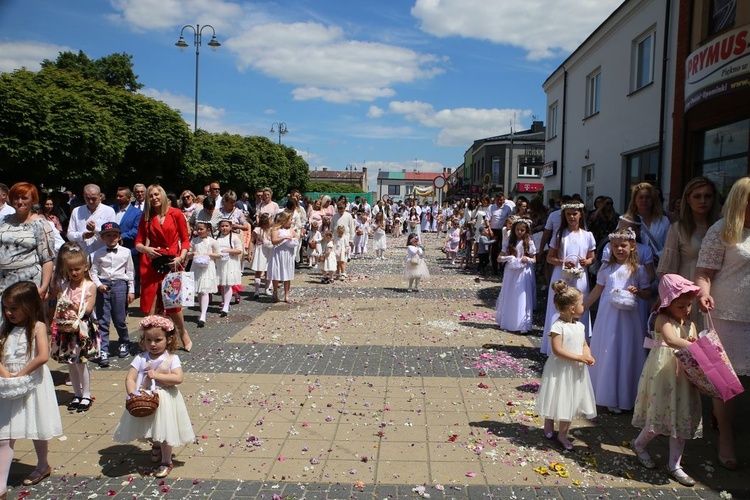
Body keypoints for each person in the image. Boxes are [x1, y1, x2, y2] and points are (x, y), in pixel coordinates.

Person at [694, 176, 750, 471]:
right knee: (725, 382)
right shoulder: (723, 230)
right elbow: (703, 273)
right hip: (728, 316)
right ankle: (726, 437)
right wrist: (703, 294)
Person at [631, 274, 703, 487]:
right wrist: (695, 347)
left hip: (683, 376)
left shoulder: (690, 322)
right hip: (664, 373)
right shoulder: (663, 319)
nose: (687, 310)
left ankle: (675, 464)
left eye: (689, 305)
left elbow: (692, 340)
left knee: (680, 418)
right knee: (659, 414)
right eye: (681, 305)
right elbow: (671, 339)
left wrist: (694, 342)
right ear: (667, 303)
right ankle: (640, 444)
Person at [113, 316, 195, 478]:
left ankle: (166, 460)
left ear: (169, 339)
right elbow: (130, 378)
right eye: (149, 340)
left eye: (158, 340)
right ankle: (156, 445)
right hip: (145, 397)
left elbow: (178, 378)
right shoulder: (141, 358)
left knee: (165, 430)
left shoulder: (172, 359)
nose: (153, 344)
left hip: (165, 399)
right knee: (150, 427)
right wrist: (133, 394)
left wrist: (157, 375)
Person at [0, 282, 63, 494]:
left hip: (33, 381)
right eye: (6, 307)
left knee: (37, 423)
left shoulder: (37, 327)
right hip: (8, 384)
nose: (9, 312)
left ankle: (43, 464)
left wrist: (21, 373)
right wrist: (6, 375)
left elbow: (43, 356)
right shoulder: (4, 328)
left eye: (14, 308)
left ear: (28, 305)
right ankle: (1, 485)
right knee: (5, 434)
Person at [584, 228, 651, 413]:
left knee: (627, 350)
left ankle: (627, 395)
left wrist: (638, 292)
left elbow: (647, 293)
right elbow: (597, 290)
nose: (619, 249)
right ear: (610, 248)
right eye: (615, 246)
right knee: (608, 349)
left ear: (632, 247)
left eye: (623, 245)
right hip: (608, 317)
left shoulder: (638, 270)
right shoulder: (606, 269)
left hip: (629, 318)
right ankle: (607, 394)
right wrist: (583, 306)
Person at [535, 280, 596, 451]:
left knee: (569, 401)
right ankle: (549, 422)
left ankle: (562, 433)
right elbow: (557, 350)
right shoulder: (558, 327)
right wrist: (578, 357)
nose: (583, 306)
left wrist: (588, 354)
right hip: (561, 369)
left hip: (575, 370)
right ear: (572, 308)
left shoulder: (580, 326)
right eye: (581, 303)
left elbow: (584, 344)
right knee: (556, 397)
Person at [134, 185, 192, 352]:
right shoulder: (146, 217)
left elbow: (185, 240)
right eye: (150, 196)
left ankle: (182, 332)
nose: (154, 198)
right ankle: (151, 341)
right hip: (152, 263)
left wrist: (181, 257)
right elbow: (137, 242)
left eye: (156, 194)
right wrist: (146, 249)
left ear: (163, 195)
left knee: (172, 304)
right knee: (150, 306)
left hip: (171, 262)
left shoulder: (175, 214)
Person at [658, 177, 719, 328]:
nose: (703, 201)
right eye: (697, 196)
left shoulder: (722, 227)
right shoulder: (678, 228)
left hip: (718, 286)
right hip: (687, 290)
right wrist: (665, 297)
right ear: (688, 199)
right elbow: (668, 269)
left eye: (707, 196)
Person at [541, 202, 596, 354]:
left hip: (580, 277)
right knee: (559, 308)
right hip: (561, 275)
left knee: (579, 306)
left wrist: (587, 261)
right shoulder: (559, 234)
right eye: (569, 214)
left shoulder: (587, 235)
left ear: (580, 215)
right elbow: (550, 258)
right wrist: (563, 262)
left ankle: (579, 345)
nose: (572, 217)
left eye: (575, 213)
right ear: (564, 216)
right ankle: (555, 346)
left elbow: (592, 257)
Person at [50, 243, 98, 412]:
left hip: (81, 328)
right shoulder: (64, 286)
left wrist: (72, 305)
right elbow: (58, 305)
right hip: (65, 328)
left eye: (77, 269)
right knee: (70, 362)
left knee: (81, 363)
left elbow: (89, 309)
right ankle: (76, 393)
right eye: (70, 270)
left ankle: (86, 394)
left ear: (85, 267)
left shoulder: (89, 286)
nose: (74, 273)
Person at [89, 222, 135, 367]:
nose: (112, 238)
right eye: (108, 235)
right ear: (102, 237)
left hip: (120, 286)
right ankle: (104, 350)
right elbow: (93, 272)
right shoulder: (97, 253)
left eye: (115, 235)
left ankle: (124, 342)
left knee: (120, 319)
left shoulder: (126, 252)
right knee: (103, 320)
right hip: (104, 286)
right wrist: (99, 285)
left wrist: (131, 290)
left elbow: (130, 272)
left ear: (119, 236)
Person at [0, 183, 55, 298]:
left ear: (33, 200)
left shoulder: (40, 225)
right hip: (3, 283)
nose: (20, 202)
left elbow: (47, 259)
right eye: (16, 198)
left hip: (28, 284)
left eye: (24, 198)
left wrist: (43, 288)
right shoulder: (3, 222)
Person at [495, 218, 537, 333]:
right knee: (510, 294)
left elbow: (534, 259)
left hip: (523, 272)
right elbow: (499, 258)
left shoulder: (529, 242)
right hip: (511, 271)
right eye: (517, 230)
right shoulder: (509, 241)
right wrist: (508, 258)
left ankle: (522, 324)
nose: (519, 232)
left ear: (526, 231)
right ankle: (508, 320)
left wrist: (527, 258)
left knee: (522, 295)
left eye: (522, 230)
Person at [626, 182, 670, 265]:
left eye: (648, 197)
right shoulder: (627, 220)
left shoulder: (664, 220)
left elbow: (670, 244)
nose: (644, 200)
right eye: (641, 197)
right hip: (634, 266)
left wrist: (656, 257)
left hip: (658, 265)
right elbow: (619, 243)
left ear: (653, 200)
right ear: (635, 200)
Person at [66, 184, 116, 256]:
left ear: (100, 196)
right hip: (82, 255)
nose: (91, 202)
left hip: (101, 255)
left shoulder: (109, 211)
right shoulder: (76, 211)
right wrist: (83, 235)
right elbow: (70, 234)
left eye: (93, 198)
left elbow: (112, 235)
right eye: (87, 198)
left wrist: (95, 229)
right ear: (83, 196)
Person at [189, 221, 219, 328]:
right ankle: (202, 310)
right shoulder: (194, 241)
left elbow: (218, 254)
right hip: (197, 267)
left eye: (202, 229)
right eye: (198, 229)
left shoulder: (212, 241)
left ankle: (203, 315)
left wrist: (210, 254)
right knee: (200, 291)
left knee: (205, 290)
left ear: (208, 230)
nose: (199, 231)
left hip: (207, 268)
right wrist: (192, 254)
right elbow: (188, 254)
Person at [266, 211, 299, 302]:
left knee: (287, 274)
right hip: (278, 253)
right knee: (276, 273)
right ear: (284, 220)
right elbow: (274, 241)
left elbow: (297, 237)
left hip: (288, 254)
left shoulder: (291, 229)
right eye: (290, 219)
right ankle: (275, 293)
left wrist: (294, 237)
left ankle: (286, 295)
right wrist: (284, 238)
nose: (291, 221)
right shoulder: (276, 229)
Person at [215, 219, 243, 317]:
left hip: (230, 263)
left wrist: (228, 250)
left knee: (228, 284)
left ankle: (226, 306)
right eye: (222, 226)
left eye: (226, 226)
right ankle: (225, 302)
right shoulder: (216, 238)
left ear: (230, 227)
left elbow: (239, 250)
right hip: (220, 264)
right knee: (223, 284)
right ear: (219, 227)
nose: (224, 228)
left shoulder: (234, 238)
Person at [249, 213, 273, 299]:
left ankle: (267, 289)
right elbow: (252, 241)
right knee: (258, 271)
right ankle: (256, 290)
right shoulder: (258, 230)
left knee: (268, 271)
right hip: (260, 251)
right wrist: (250, 252)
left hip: (269, 252)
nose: (271, 221)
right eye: (270, 220)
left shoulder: (272, 230)